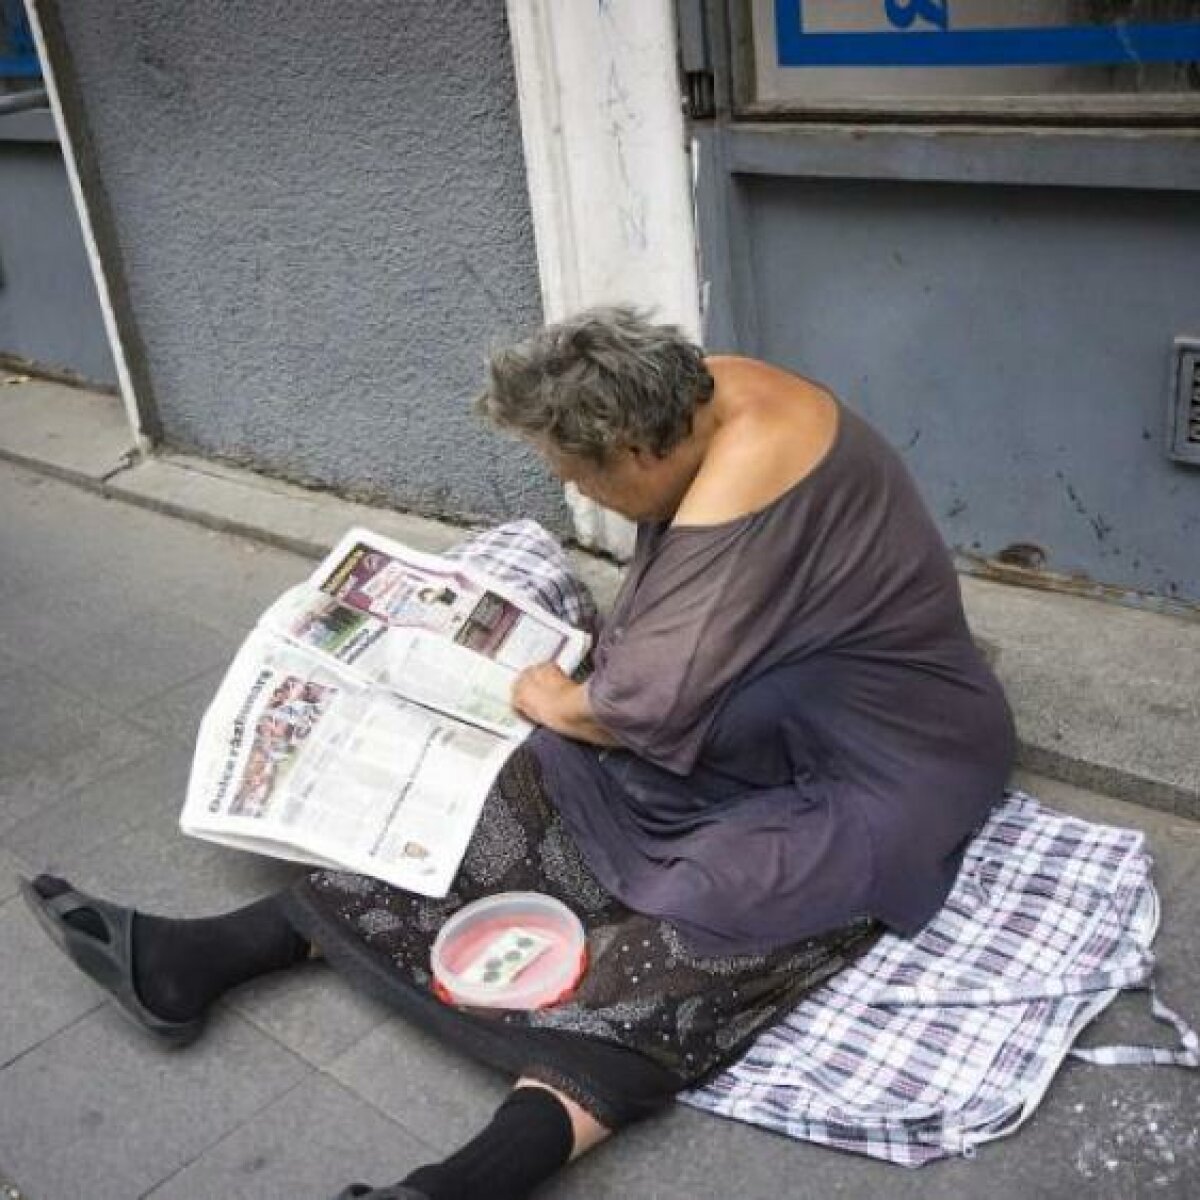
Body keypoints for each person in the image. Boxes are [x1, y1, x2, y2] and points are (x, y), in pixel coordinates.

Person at [21, 307, 1014, 1200]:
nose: (577, 490)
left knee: (704, 913)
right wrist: (566, 713)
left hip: (878, 758)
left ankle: (465, 1186)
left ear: (632, 443)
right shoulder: (698, 387)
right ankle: (202, 956)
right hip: (757, 709)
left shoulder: (751, 462)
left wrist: (557, 692)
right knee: (524, 782)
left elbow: (636, 703)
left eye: (583, 476)